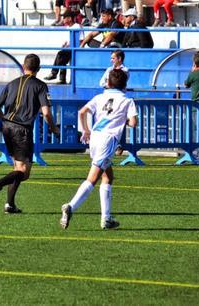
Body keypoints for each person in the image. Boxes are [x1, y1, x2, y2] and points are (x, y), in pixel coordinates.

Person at [59, 69, 137, 230]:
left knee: (108, 177)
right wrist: (123, 121)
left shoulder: (99, 97)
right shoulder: (127, 100)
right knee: (92, 178)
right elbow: (133, 122)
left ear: (108, 83)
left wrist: (86, 130)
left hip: (95, 137)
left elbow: (82, 112)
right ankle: (70, 206)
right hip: (108, 140)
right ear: (125, 85)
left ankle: (106, 218)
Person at [0, 54, 59, 214]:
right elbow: (46, 113)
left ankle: (10, 205)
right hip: (22, 130)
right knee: (24, 173)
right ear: (39, 69)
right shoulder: (40, 85)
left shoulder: (11, 83)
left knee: (17, 167)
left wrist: (3, 119)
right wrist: (54, 128)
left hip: (7, 127)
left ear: (23, 66)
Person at [44, 9, 83, 84]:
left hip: (75, 49)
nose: (63, 20)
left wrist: (70, 45)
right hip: (69, 49)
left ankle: (54, 73)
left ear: (70, 18)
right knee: (61, 57)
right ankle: (61, 79)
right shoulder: (68, 27)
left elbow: (81, 40)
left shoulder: (77, 26)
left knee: (60, 54)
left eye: (64, 18)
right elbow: (67, 40)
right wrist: (65, 44)